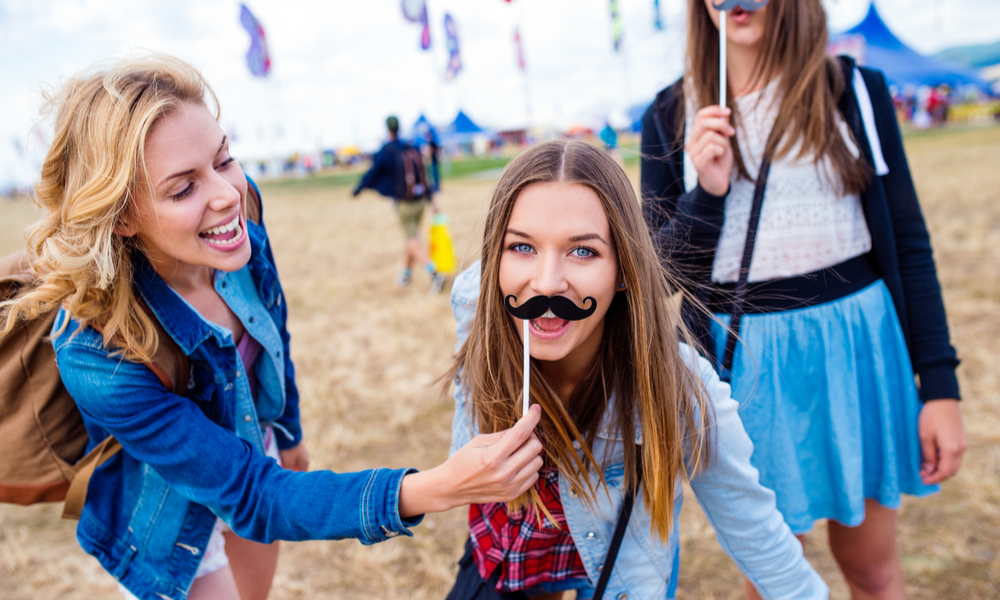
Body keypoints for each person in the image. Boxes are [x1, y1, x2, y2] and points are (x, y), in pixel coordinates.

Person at [0, 54, 544, 600]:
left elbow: (273, 337)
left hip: (252, 451)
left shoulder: (242, 221)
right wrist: (435, 487)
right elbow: (254, 497)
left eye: (224, 159)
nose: (226, 194)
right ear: (122, 216)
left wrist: (288, 429)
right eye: (183, 187)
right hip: (164, 509)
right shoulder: (93, 349)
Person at [639, 1, 966, 599]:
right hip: (745, 361)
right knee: (774, 577)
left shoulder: (853, 91)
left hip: (856, 347)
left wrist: (940, 385)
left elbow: (909, 244)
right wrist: (707, 195)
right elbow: (655, 275)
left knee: (871, 567)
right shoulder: (670, 113)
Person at [445, 140, 828, 599]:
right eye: (522, 246)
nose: (546, 282)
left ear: (625, 268)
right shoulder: (477, 304)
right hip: (511, 551)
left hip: (619, 568)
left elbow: (755, 529)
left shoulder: (680, 389)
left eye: (583, 252)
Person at [353, 116, 446, 292]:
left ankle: (433, 273)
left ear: (388, 129)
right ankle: (405, 274)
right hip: (420, 202)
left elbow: (372, 173)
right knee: (412, 239)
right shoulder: (410, 148)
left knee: (411, 239)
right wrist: (431, 200)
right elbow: (423, 174)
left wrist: (358, 189)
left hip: (405, 203)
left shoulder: (387, 151)